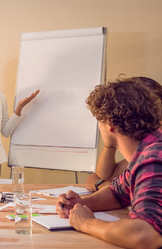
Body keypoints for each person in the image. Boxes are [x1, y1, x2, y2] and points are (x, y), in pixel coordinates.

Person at [56, 77, 162, 248]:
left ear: (110, 124)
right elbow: (117, 193)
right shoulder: (146, 151)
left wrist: (86, 223)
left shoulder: (153, 158)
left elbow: (144, 235)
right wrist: (79, 204)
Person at [85, 76, 162, 191]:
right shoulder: (143, 148)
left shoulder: (155, 152)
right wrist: (110, 141)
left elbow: (138, 189)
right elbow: (109, 177)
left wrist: (99, 185)